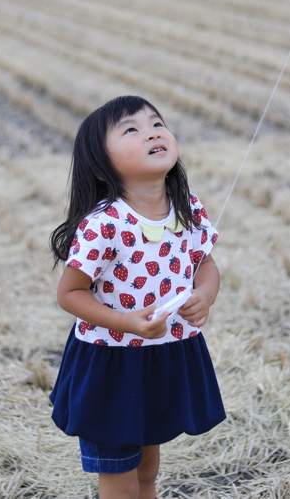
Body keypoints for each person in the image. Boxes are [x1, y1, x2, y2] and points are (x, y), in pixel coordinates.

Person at [49, 95, 225, 499]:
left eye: (157, 124)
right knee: (120, 481)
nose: (152, 132)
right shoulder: (105, 224)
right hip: (110, 365)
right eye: (132, 129)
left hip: (162, 355)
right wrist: (128, 322)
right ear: (100, 162)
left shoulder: (187, 208)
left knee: (148, 469)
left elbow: (206, 264)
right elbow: (70, 293)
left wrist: (205, 294)